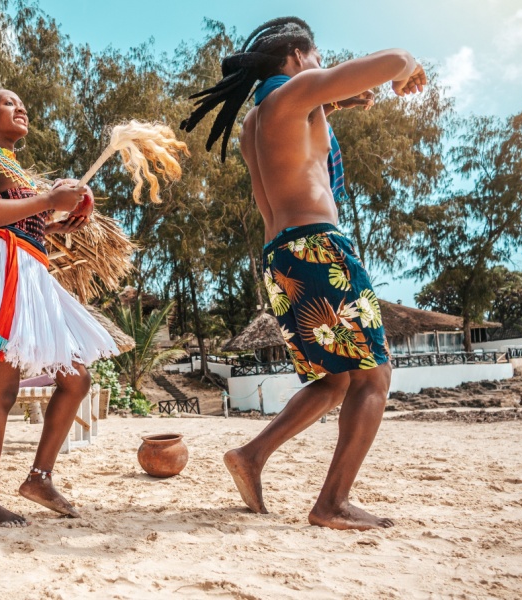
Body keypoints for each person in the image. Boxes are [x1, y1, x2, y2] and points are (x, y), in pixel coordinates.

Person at [180, 17, 426, 531]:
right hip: (319, 247)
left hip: (283, 258)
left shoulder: (258, 120)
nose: (320, 67)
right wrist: (409, 67)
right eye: (317, 58)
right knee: (374, 376)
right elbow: (396, 60)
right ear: (296, 55)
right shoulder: (297, 91)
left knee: (334, 380)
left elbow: (296, 140)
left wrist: (335, 103)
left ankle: (250, 456)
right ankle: (331, 504)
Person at [0, 89, 120, 527]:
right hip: (2, 273)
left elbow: (22, 221)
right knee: (2, 390)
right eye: (8, 103)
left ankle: (39, 477)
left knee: (76, 379)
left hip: (30, 273)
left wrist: (59, 220)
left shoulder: (17, 168)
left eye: (24, 103)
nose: (22, 108)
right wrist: (45, 202)